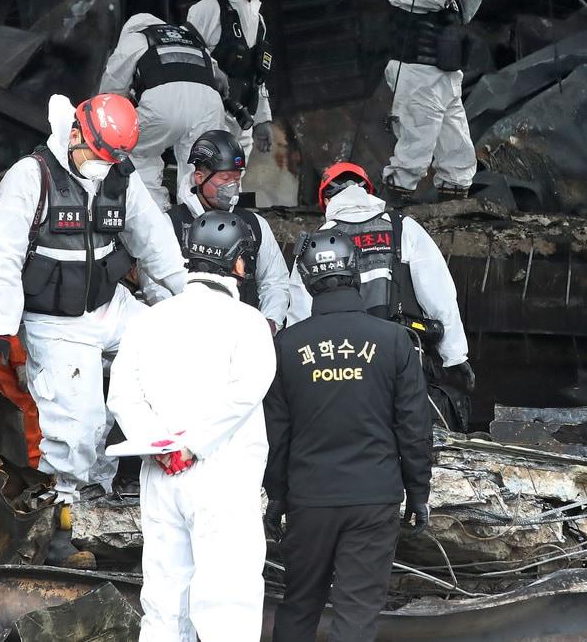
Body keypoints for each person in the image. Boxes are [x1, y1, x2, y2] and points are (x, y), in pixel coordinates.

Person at [0, 93, 189, 508]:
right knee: (77, 426)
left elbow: (154, 238)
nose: (102, 164)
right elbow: (2, 254)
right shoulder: (31, 176)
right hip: (56, 322)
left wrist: (191, 294)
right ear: (75, 133)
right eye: (97, 153)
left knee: (170, 348)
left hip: (112, 307)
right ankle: (63, 510)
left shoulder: (118, 176)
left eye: (111, 158)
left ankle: (113, 485)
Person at [107, 211, 277, 642]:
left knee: (164, 601)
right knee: (227, 603)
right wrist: (192, 446)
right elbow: (245, 392)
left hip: (161, 474)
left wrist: (160, 446)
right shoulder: (249, 322)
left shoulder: (149, 319)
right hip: (221, 472)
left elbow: (122, 397)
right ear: (241, 264)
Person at [265, 230, 431, 642]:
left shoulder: (286, 345)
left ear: (305, 281)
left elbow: (275, 433)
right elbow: (414, 426)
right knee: (356, 615)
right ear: (355, 272)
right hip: (374, 498)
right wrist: (418, 492)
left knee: (300, 604)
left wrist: (278, 496)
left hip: (310, 498)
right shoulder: (394, 340)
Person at [285, 162, 475, 430]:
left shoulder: (316, 244)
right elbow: (440, 297)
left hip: (339, 367)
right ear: (369, 192)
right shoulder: (404, 228)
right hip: (402, 361)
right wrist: (455, 357)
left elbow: (299, 320)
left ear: (326, 201)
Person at [383, 0, 488, 204]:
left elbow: (465, 11)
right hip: (417, 71)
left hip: (445, 73)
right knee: (417, 142)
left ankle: (454, 200)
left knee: (457, 145)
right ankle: (396, 205)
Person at [143, 129, 290, 332]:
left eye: (237, 179)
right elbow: (154, 285)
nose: (232, 186)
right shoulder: (169, 225)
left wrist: (269, 323)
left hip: (244, 338)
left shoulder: (255, 225)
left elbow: (275, 281)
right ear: (199, 177)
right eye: (224, 178)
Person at [99, 11, 228, 208]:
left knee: (138, 153)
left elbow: (112, 88)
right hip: (209, 107)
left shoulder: (137, 39)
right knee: (201, 168)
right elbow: (220, 79)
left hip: (162, 108)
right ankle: (204, 224)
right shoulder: (190, 38)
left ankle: (155, 214)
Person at [186, 0, 276, 164]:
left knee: (233, 179)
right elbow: (186, 52)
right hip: (208, 115)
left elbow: (258, 76)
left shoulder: (260, 21)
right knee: (204, 175)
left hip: (242, 116)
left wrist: (263, 119)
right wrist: (213, 69)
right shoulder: (209, 8)